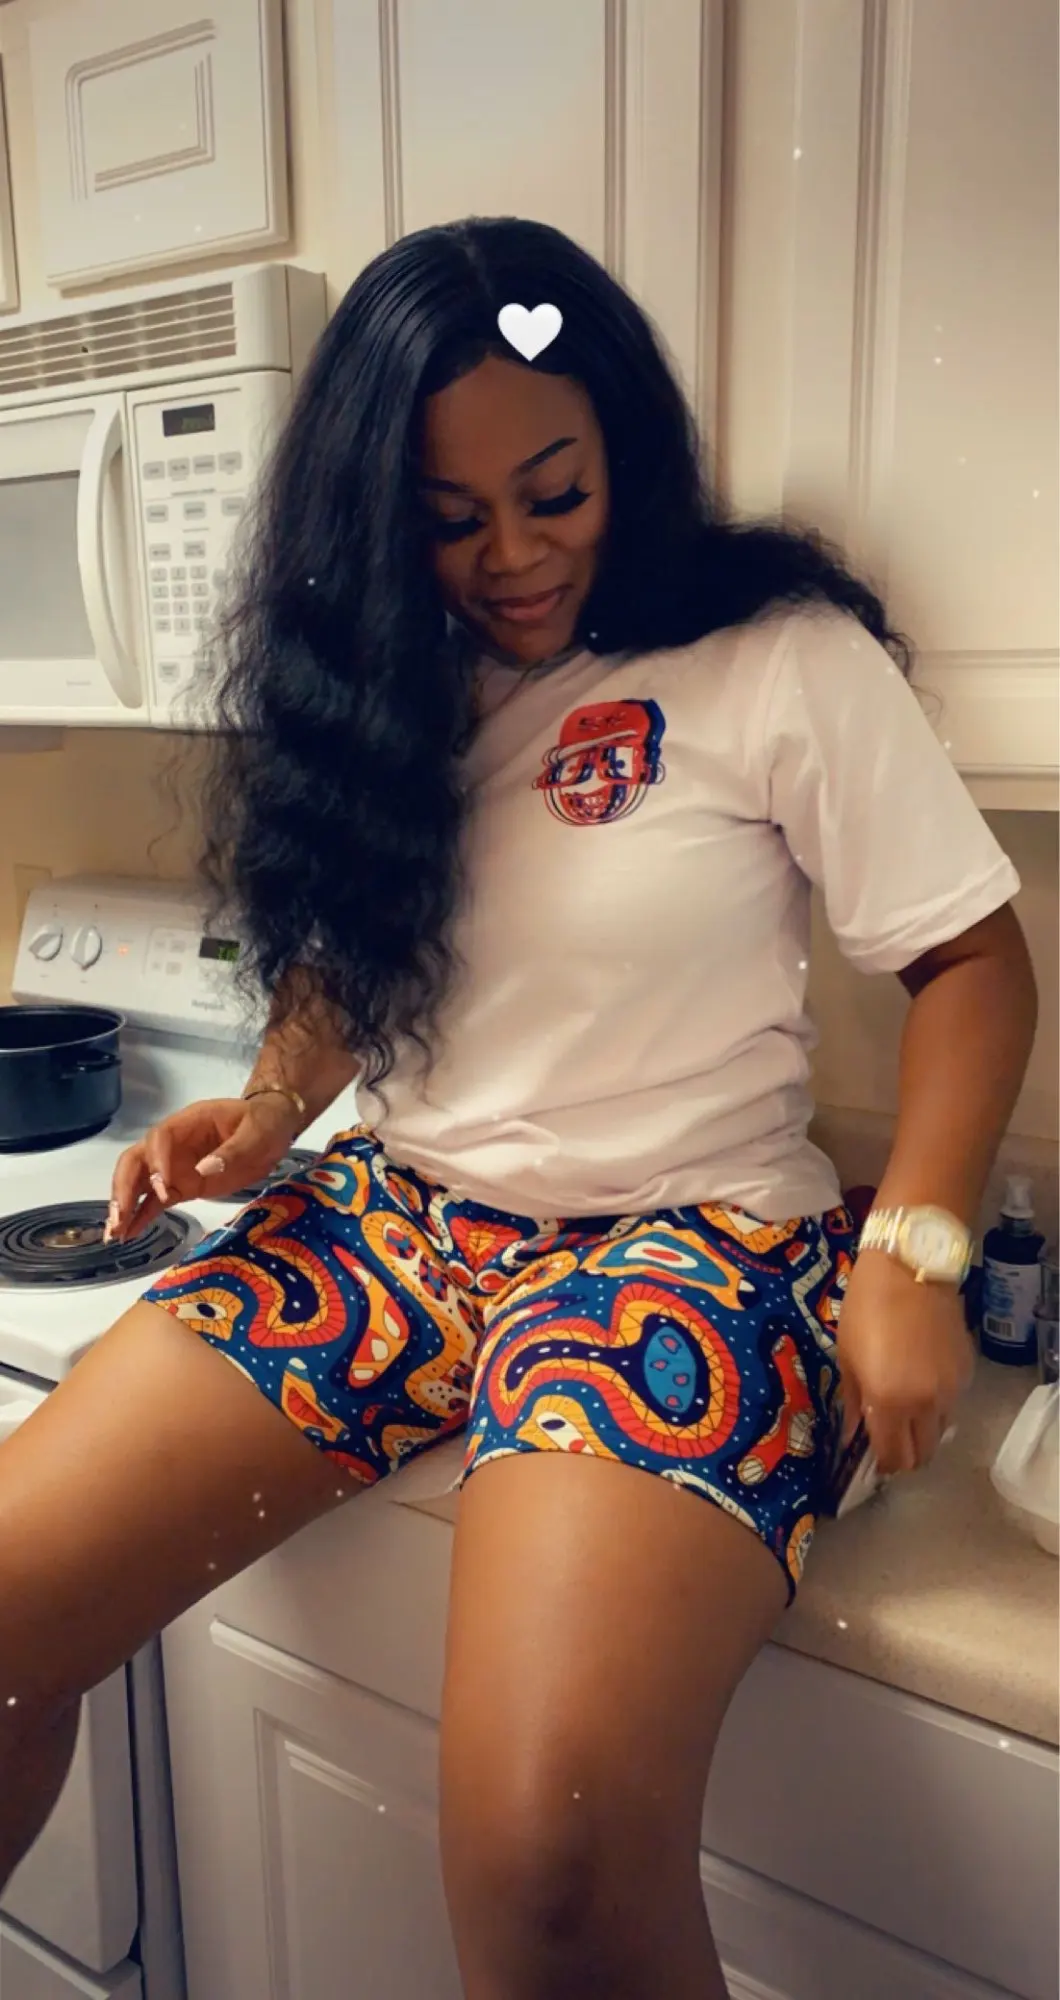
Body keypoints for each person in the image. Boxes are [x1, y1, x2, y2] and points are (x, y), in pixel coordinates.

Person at [0, 216, 1037, 2000]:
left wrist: (918, 1249)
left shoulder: (774, 658)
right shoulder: (390, 685)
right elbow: (358, 963)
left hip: (686, 1245)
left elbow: (974, 965)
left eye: (554, 494)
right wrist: (266, 1110)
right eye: (449, 517)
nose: (511, 557)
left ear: (623, 448)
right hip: (394, 1223)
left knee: (549, 1858)